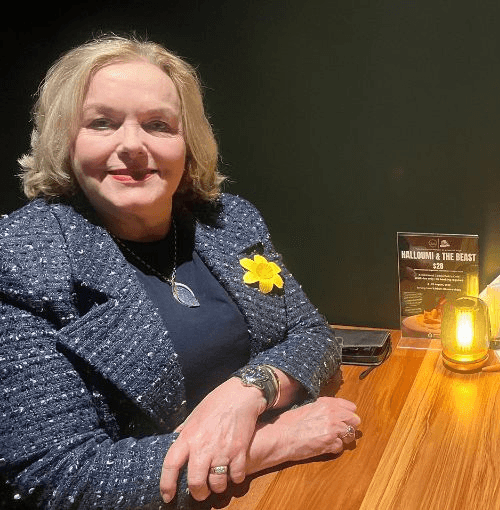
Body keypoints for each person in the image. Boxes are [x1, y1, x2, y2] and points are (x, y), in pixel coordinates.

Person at [0, 35, 360, 509]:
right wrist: (273, 442)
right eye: (102, 123)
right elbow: (56, 477)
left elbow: (313, 333)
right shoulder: (21, 258)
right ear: (64, 141)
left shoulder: (230, 220)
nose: (133, 145)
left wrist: (247, 391)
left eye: (158, 125)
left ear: (188, 143)